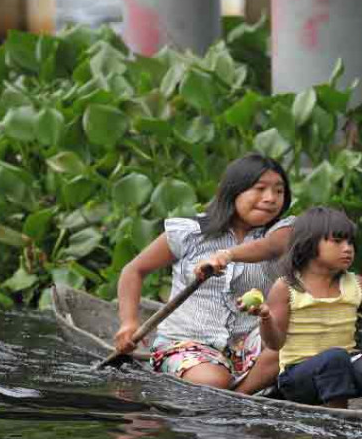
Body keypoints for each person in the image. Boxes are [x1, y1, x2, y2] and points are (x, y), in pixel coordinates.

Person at [113, 153, 294, 393]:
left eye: (279, 191)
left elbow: (271, 247)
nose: (271, 198)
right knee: (212, 381)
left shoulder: (283, 233)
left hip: (251, 346)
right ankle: (228, 393)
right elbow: (134, 270)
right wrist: (128, 323)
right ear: (234, 191)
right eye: (260, 189)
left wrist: (226, 255)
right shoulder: (191, 232)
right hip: (188, 342)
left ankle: (238, 396)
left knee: (298, 343)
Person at [246, 207, 362, 412]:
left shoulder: (358, 285)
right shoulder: (287, 287)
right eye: (337, 242)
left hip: (345, 368)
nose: (348, 249)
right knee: (336, 357)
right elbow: (275, 344)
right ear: (309, 245)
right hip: (299, 379)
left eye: (350, 242)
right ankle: (339, 413)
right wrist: (265, 318)